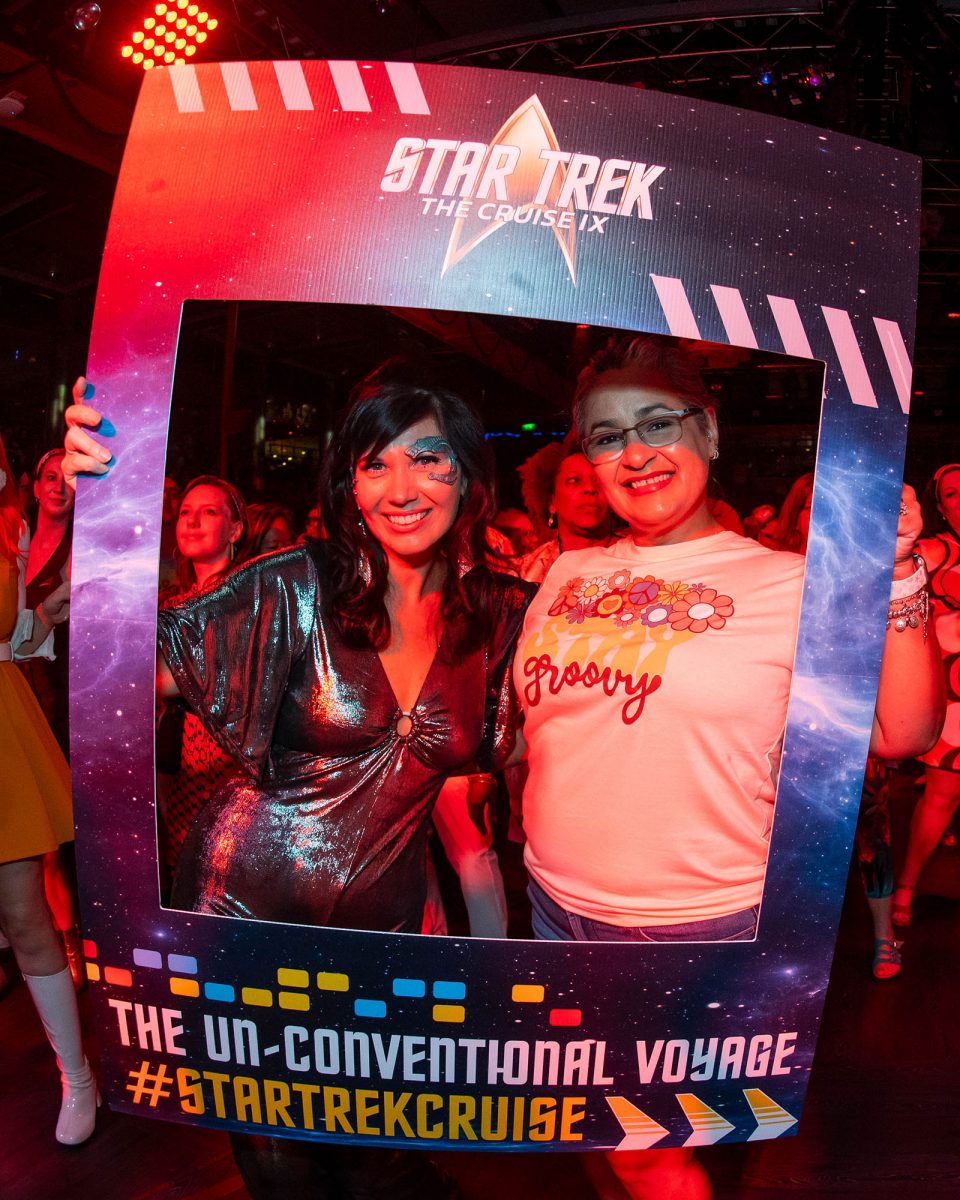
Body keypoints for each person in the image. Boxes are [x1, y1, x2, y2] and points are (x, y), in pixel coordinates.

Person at [63, 362, 533, 1198]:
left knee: (378, 1156)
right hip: (247, 912)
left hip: (384, 928)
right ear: (349, 483)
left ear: (467, 475)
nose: (401, 488)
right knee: (282, 1165)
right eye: (375, 463)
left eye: (428, 459)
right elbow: (119, 660)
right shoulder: (294, 583)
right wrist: (104, 515)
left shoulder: (498, 613)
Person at [513, 335, 943, 1200]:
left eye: (658, 423)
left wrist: (898, 575)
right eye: (606, 436)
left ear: (709, 432)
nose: (634, 453)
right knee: (597, 1122)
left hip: (692, 922)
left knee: (645, 1151)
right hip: (556, 906)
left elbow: (903, 730)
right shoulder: (565, 572)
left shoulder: (789, 582)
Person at [0, 433, 99, 1145]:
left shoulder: (8, 534)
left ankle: (78, 1077)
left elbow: (8, 640)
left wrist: (45, 615)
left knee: (25, 915)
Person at [156, 476, 249, 881]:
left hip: (229, 758)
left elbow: (176, 682)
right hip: (179, 758)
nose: (192, 522)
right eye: (185, 513)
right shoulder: (172, 603)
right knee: (186, 875)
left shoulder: (245, 597)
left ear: (235, 529)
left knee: (224, 876)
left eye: (209, 512)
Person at [892, 462, 960, 928]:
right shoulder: (939, 550)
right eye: (952, 494)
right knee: (942, 796)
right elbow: (893, 573)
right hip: (955, 696)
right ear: (941, 508)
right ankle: (906, 886)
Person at [517, 433, 613, 583]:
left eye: (598, 480)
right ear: (552, 502)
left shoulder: (639, 556)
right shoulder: (525, 572)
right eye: (574, 481)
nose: (589, 488)